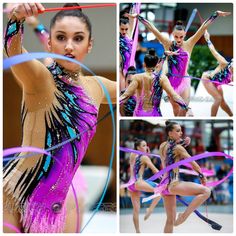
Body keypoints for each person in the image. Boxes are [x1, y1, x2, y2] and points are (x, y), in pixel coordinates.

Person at [3, 3, 116, 233]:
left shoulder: (96, 87)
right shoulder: (41, 78)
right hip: (15, 195)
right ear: (50, 43)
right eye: (61, 38)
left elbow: (134, 89)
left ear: (89, 44)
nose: (69, 46)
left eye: (78, 38)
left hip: (56, 205)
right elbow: (13, 52)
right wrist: (18, 18)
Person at [128, 10, 231, 116]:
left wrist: (215, 14)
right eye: (176, 37)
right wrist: (139, 17)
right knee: (176, 110)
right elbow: (153, 29)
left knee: (184, 109)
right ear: (173, 34)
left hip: (184, 81)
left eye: (181, 37)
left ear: (184, 35)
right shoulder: (167, 43)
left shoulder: (189, 44)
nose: (178, 39)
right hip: (171, 83)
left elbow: (202, 28)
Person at [159, 121, 211, 233]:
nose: (181, 133)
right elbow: (193, 163)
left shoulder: (162, 146)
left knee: (170, 221)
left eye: (181, 130)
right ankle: (183, 216)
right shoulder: (178, 148)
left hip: (163, 186)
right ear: (170, 133)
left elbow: (171, 152)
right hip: (173, 184)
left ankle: (179, 219)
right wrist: (201, 175)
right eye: (178, 131)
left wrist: (184, 143)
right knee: (206, 191)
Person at [120, 49, 193, 116]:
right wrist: (186, 107)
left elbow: (126, 95)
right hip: (155, 114)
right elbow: (174, 95)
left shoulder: (137, 77)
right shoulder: (161, 78)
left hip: (139, 113)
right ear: (156, 64)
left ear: (144, 64)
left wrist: (115, 101)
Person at [126, 138, 161, 233]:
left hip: (131, 184)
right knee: (160, 190)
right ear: (138, 147)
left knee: (136, 210)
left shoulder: (132, 154)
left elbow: (137, 164)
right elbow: (154, 169)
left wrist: (147, 154)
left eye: (146, 145)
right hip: (138, 182)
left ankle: (137, 232)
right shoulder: (144, 158)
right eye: (144, 146)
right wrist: (162, 177)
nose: (147, 147)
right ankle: (150, 209)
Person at [201, 30, 233, 116]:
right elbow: (213, 50)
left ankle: (231, 116)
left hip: (217, 83)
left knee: (222, 101)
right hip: (207, 78)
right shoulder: (224, 63)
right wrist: (208, 39)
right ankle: (212, 119)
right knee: (218, 99)